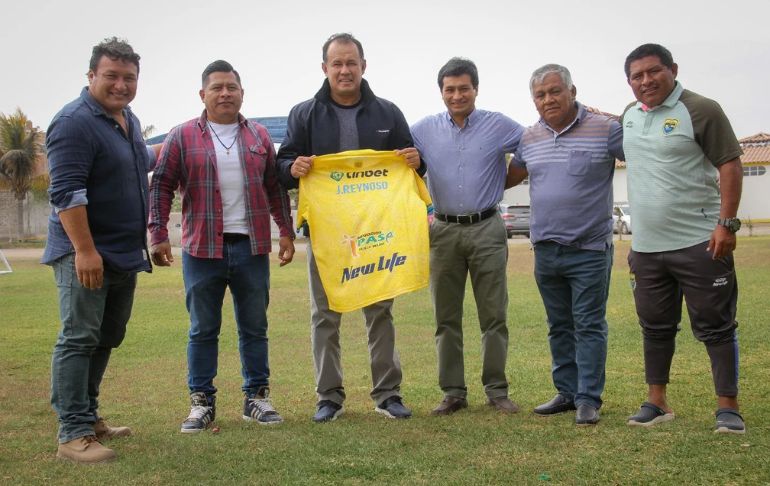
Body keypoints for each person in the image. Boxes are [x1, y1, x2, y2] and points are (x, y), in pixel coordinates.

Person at [277, 33, 423, 422]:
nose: (345, 70)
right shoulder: (304, 114)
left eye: (351, 63)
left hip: (378, 232)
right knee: (324, 314)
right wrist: (292, 168)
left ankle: (388, 394)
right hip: (327, 234)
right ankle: (329, 396)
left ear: (363, 66)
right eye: (337, 64)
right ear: (325, 68)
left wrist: (415, 158)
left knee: (381, 312)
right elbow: (281, 166)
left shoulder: (388, 113)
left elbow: (413, 166)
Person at [148, 60, 295, 433]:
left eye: (232, 86)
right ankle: (201, 403)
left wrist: (287, 232)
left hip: (251, 248)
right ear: (203, 94)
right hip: (201, 251)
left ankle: (256, 398)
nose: (225, 93)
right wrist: (158, 233)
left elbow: (274, 189)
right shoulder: (182, 136)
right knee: (202, 329)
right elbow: (161, 185)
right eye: (217, 87)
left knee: (254, 328)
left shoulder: (259, 136)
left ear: (242, 93)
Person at [621, 44, 745, 433]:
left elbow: (730, 163)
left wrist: (727, 224)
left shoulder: (700, 109)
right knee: (655, 327)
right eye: (637, 76)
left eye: (653, 71)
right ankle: (656, 402)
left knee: (716, 326)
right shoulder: (628, 116)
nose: (646, 81)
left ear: (673, 70)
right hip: (647, 248)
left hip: (701, 242)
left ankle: (728, 407)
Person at [43, 37, 151, 463]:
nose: (121, 85)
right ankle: (72, 433)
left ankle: (87, 417)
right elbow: (66, 192)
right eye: (112, 76)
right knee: (79, 336)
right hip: (86, 253)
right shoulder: (73, 122)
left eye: (129, 77)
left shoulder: (129, 120)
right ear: (91, 76)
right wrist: (85, 251)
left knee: (107, 336)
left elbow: (138, 163)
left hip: (123, 252)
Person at [507, 64, 623, 425]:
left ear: (573, 92)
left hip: (589, 249)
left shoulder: (606, 130)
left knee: (588, 324)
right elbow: (507, 177)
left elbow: (645, 151)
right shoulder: (529, 139)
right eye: (540, 95)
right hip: (546, 249)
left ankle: (589, 398)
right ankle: (566, 392)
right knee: (559, 325)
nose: (548, 99)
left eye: (555, 91)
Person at [410, 58, 524, 415]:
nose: (457, 95)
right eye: (450, 89)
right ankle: (453, 392)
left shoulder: (499, 124)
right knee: (446, 317)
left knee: (494, 314)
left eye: (464, 88)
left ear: (476, 88)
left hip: (487, 227)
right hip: (442, 231)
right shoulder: (422, 130)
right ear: (441, 91)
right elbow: (401, 163)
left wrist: (505, 180)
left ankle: (496, 389)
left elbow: (533, 145)